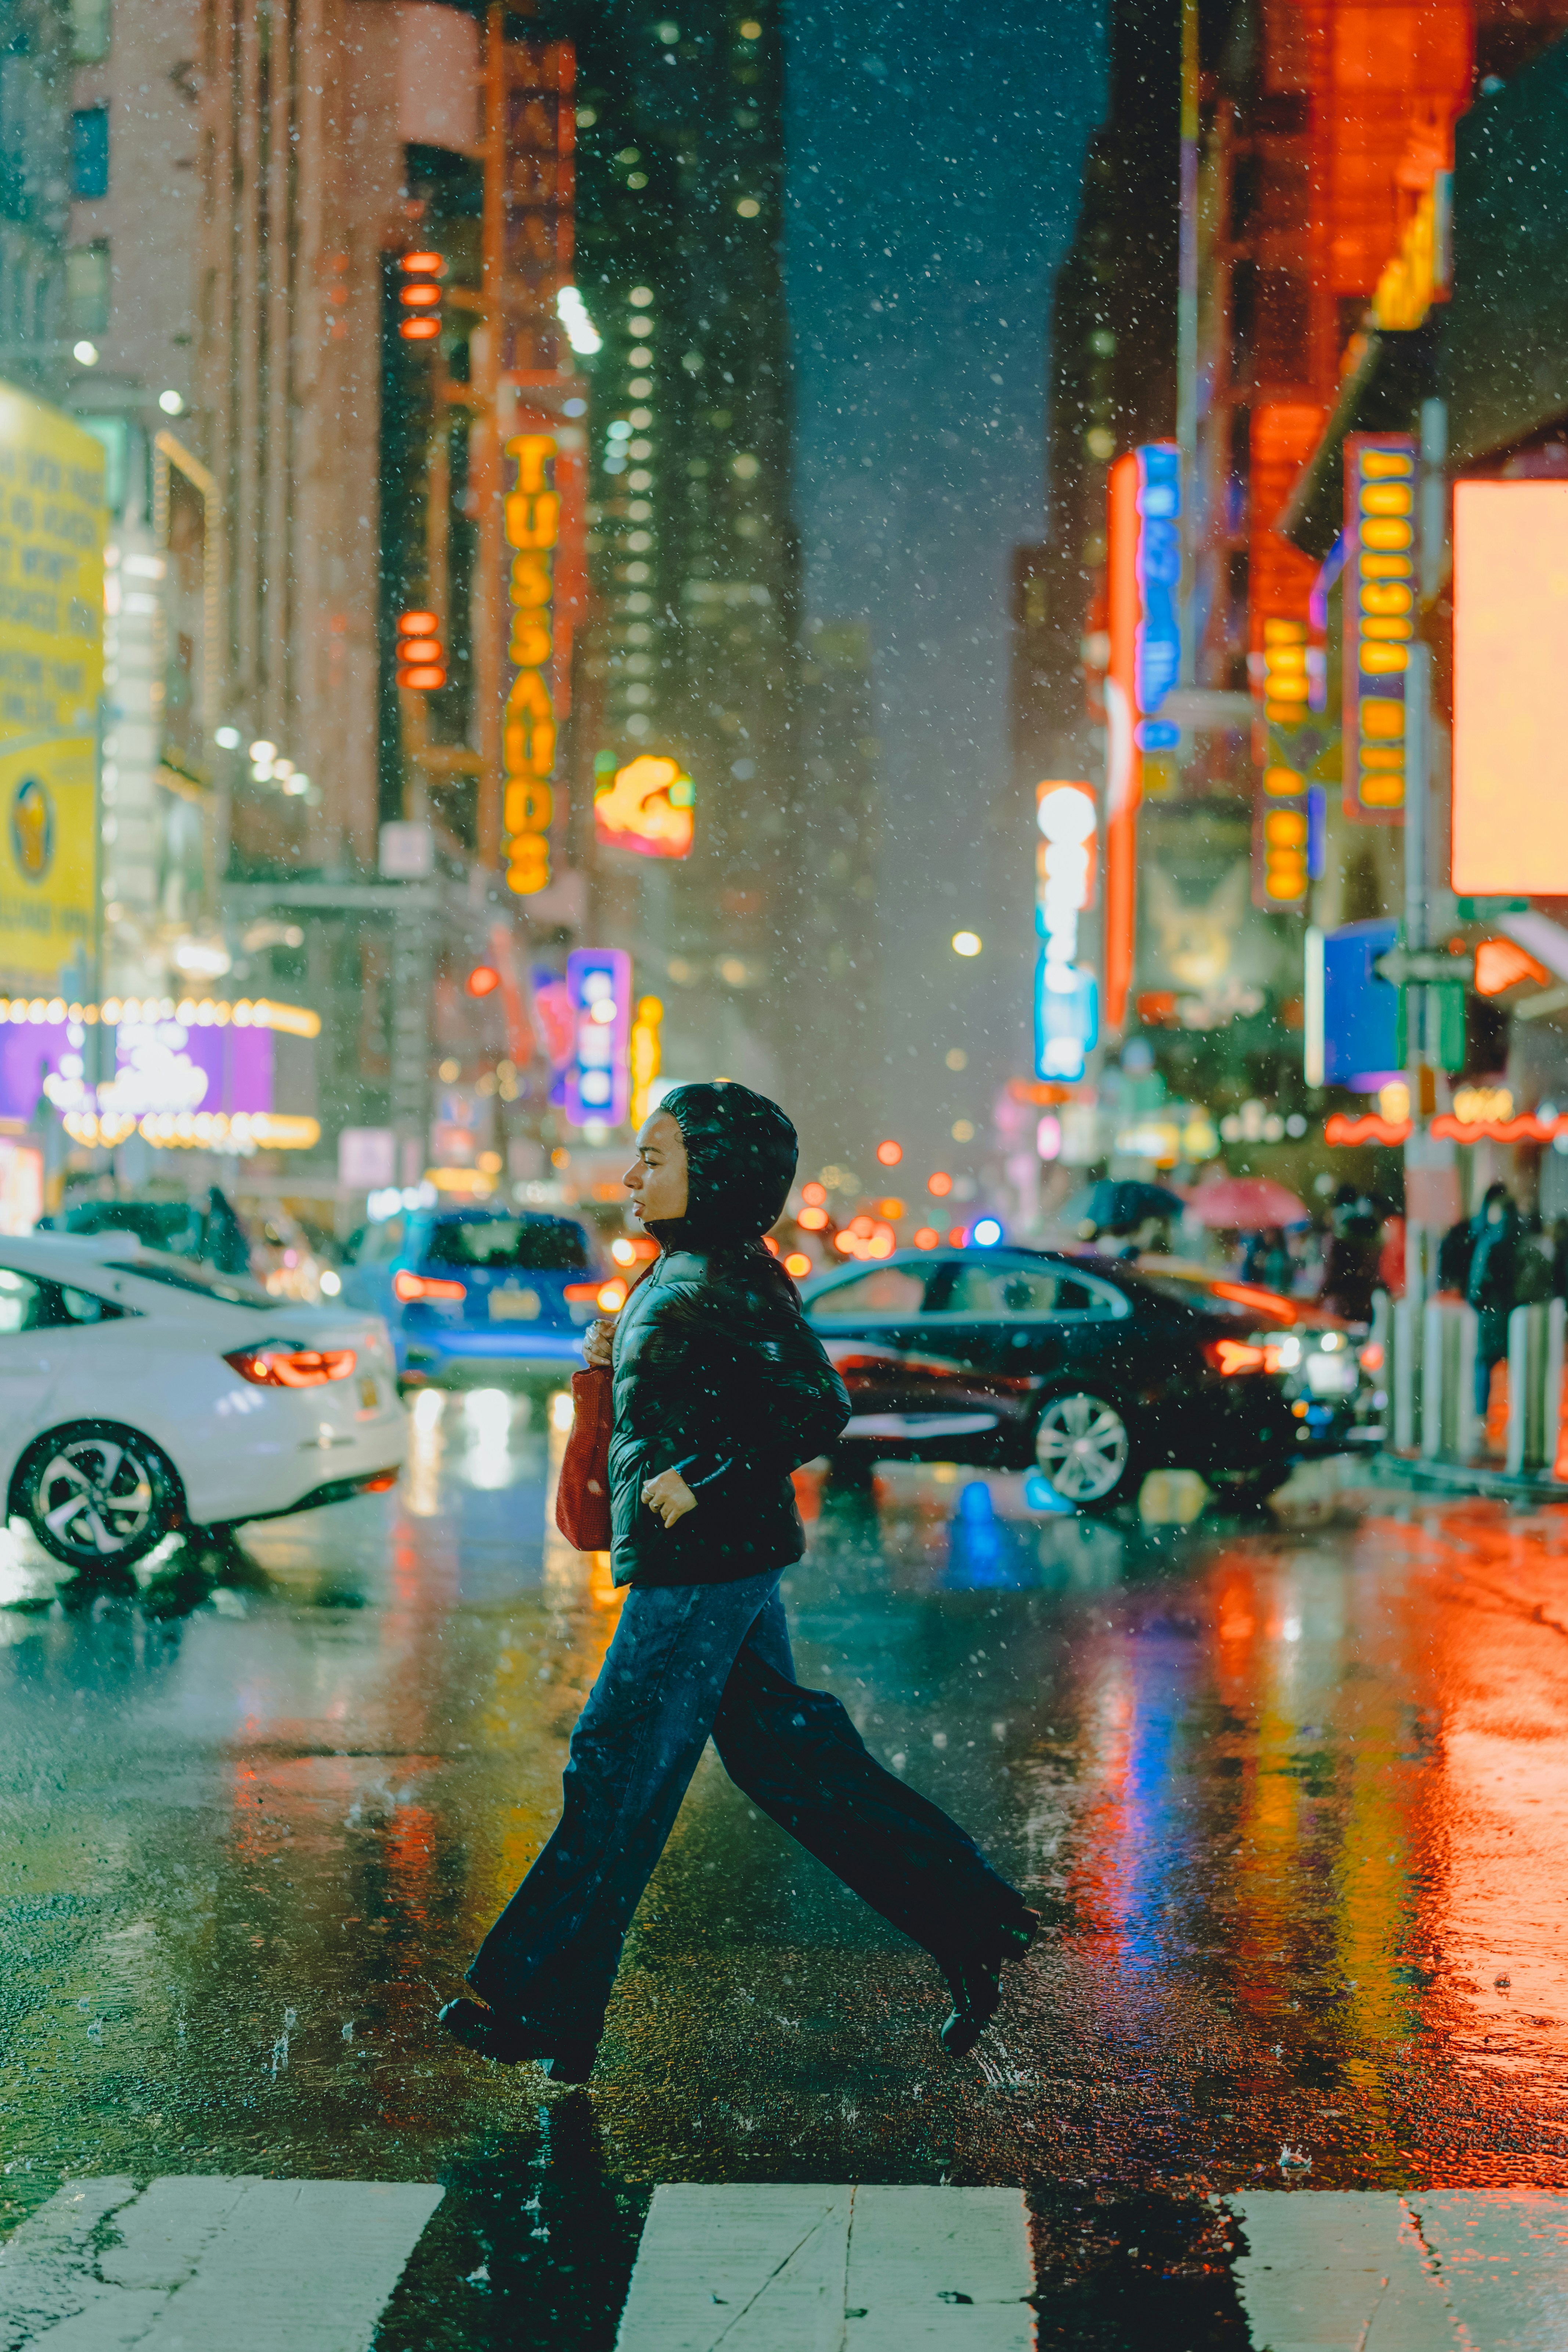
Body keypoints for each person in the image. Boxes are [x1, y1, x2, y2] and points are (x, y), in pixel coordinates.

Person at [439, 1082, 1038, 2082]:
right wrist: (609, 1363)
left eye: (655, 1159)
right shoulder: (680, 1272)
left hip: (705, 1561)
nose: (633, 1176)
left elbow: (815, 1403)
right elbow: (692, 1396)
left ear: (711, 1175)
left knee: (616, 1763)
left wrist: (700, 1474)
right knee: (788, 1760)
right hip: (715, 1558)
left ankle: (537, 1998)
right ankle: (968, 1921)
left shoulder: (722, 1276)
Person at [1467, 1182, 1520, 1424]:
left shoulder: (1489, 1242)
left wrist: (1478, 1301)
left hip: (1491, 1313)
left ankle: (1481, 1414)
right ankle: (1521, 1412)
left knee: (1484, 1364)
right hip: (1516, 1312)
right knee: (1520, 1363)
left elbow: (1478, 1286)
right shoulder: (1521, 1242)